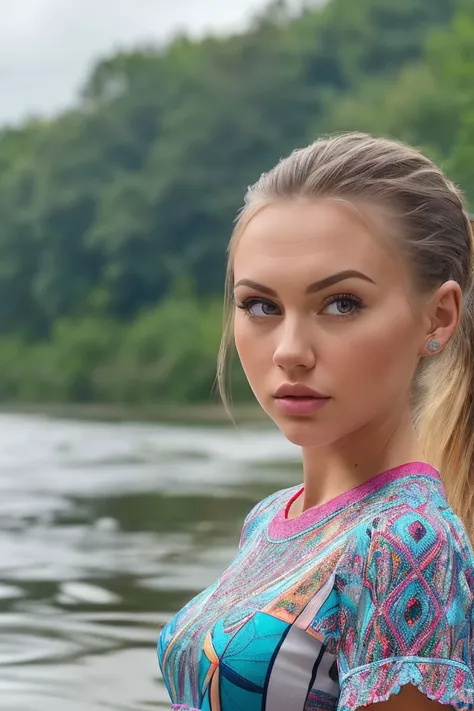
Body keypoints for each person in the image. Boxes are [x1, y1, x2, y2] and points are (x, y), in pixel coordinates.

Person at [158, 132, 474, 711]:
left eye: (342, 303)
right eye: (261, 306)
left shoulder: (406, 541)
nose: (290, 350)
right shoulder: (268, 521)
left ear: (439, 316)